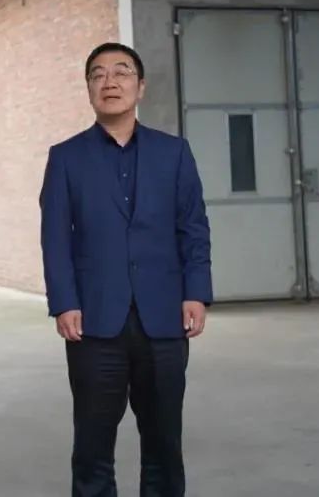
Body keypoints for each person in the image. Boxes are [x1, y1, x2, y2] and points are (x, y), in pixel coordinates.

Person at [39, 42, 212, 497]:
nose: (109, 82)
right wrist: (64, 302)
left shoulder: (174, 153)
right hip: (94, 322)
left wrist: (196, 292)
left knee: (163, 444)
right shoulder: (66, 157)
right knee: (92, 447)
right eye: (98, 74)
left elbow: (193, 228)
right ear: (88, 88)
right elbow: (55, 238)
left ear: (141, 86)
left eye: (121, 72)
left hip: (164, 318)